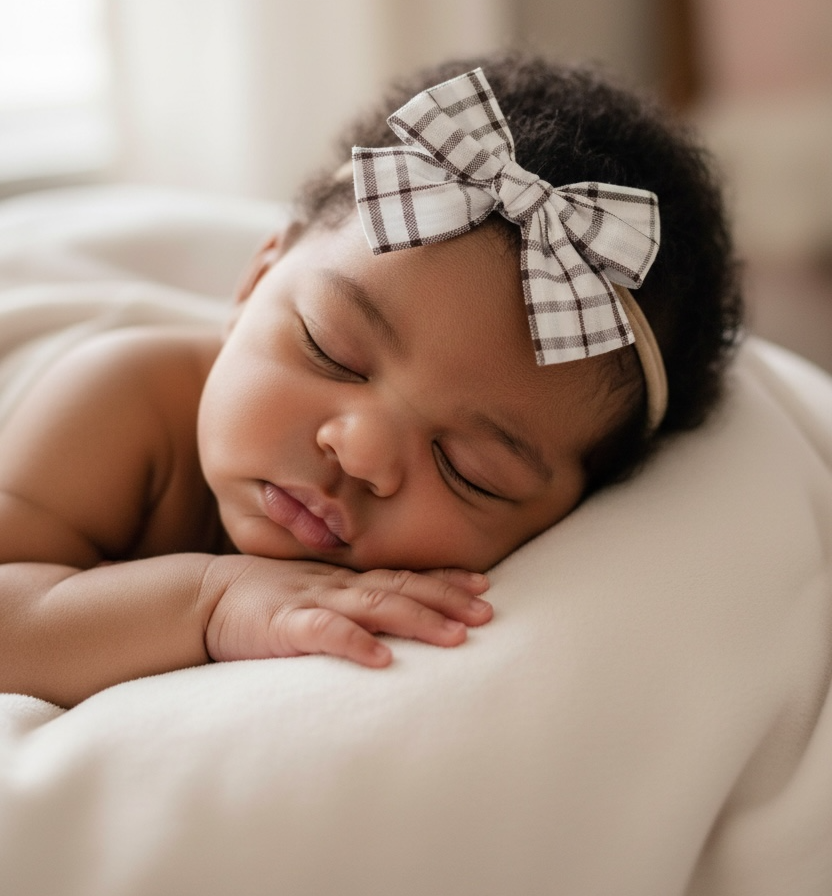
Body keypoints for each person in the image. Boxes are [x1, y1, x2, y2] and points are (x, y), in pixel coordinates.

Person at [0, 54, 742, 707]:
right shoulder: (119, 398)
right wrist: (210, 601)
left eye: (469, 471)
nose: (361, 452)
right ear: (255, 282)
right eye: (331, 351)